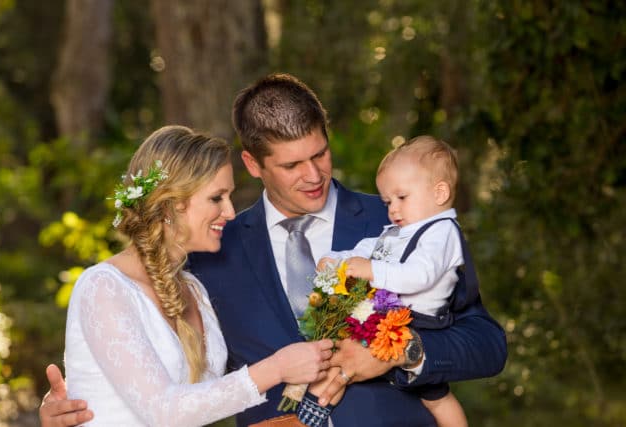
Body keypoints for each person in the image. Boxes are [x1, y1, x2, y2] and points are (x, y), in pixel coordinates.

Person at [40, 74, 507, 427]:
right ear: (253, 164)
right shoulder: (208, 256)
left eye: (320, 154)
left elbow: (486, 344)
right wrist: (83, 404)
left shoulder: (401, 220)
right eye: (291, 164)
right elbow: (177, 380)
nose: (313, 175)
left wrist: (403, 352)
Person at [57, 125, 334, 426]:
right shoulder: (103, 287)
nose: (230, 212)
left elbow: (213, 394)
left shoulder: (195, 290)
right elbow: (165, 412)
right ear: (169, 206)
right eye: (217, 198)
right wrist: (277, 369)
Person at [317, 135, 471, 427]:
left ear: (439, 193)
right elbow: (369, 249)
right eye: (388, 201)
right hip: (389, 318)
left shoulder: (443, 232)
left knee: (436, 397)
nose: (392, 209)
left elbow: (419, 274)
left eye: (402, 197)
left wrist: (372, 270)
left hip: (422, 324)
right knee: (339, 358)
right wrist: (336, 259)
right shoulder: (402, 229)